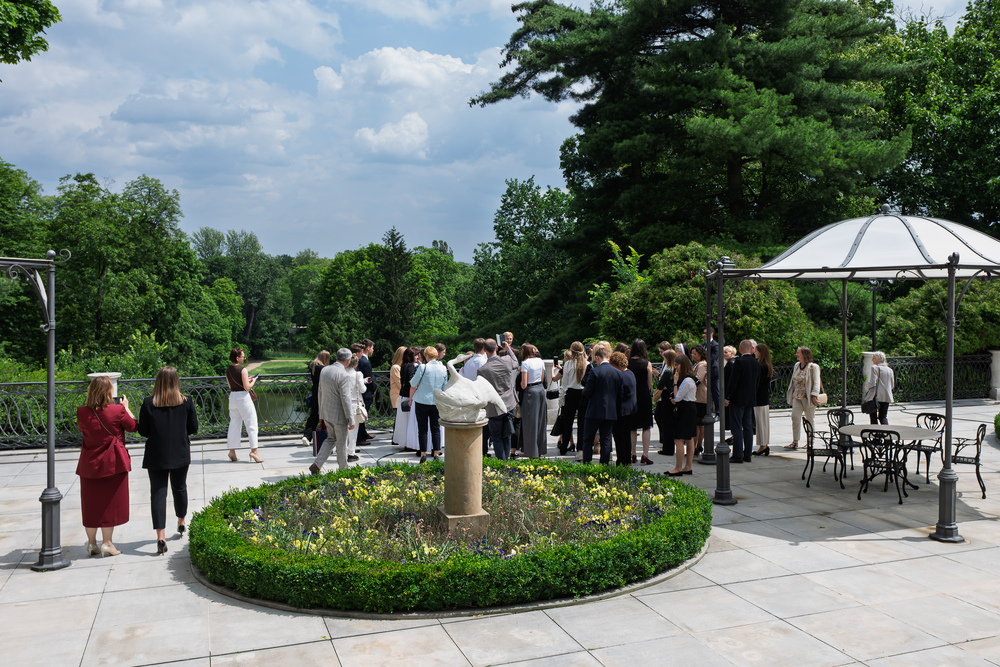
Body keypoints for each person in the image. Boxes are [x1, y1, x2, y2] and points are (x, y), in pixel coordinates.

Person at [138, 366, 199, 556]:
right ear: (176, 382)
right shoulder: (187, 402)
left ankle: (161, 536)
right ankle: (181, 520)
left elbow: (143, 431)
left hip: (156, 454)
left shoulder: (148, 403)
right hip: (180, 452)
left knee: (158, 494)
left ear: (158, 382)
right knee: (179, 488)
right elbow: (194, 428)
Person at [76, 376, 137, 557]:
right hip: (112, 463)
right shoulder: (117, 411)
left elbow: (83, 430)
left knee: (91, 504)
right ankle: (108, 543)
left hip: (89, 464)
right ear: (109, 392)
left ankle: (92, 544)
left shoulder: (81, 412)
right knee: (109, 504)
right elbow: (134, 427)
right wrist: (126, 408)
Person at [309, 348, 356, 474]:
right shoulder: (344, 375)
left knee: (331, 439)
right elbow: (346, 399)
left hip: (326, 413)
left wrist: (320, 411)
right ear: (348, 360)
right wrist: (351, 419)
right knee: (341, 443)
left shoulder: (325, 369)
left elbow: (320, 391)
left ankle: (316, 465)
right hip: (339, 416)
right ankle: (343, 471)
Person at [580, 342, 622, 464]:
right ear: (608, 357)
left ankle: (587, 465)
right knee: (606, 440)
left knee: (588, 439)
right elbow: (620, 394)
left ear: (597, 358)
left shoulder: (595, 371)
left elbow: (587, 392)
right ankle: (604, 466)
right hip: (610, 411)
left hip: (594, 411)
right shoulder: (618, 373)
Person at [477, 338, 519, 460]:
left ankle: (501, 463)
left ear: (484, 350)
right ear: (496, 348)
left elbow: (482, 389)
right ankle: (506, 461)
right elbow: (516, 363)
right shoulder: (506, 361)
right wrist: (508, 350)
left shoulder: (482, 370)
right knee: (507, 434)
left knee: (496, 437)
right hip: (509, 404)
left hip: (493, 407)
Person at [410, 345, 449, 463]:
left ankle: (423, 454)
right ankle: (436, 452)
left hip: (422, 401)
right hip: (436, 401)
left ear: (426, 355)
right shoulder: (443, 368)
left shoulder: (423, 367)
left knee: (422, 429)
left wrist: (411, 398)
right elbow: (444, 386)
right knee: (435, 428)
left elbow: (413, 383)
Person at [725, 340, 760, 463]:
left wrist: (727, 396)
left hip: (738, 399)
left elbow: (733, 382)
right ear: (751, 348)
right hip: (750, 399)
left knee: (736, 427)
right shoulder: (756, 363)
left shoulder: (739, 362)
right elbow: (757, 383)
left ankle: (738, 455)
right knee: (748, 426)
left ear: (740, 348)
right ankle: (748, 455)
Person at [226, 347, 261, 463]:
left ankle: (232, 451)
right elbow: (247, 387)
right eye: (242, 356)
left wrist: (247, 379)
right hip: (243, 399)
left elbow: (231, 386)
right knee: (251, 424)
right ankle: (254, 452)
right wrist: (253, 380)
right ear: (237, 358)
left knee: (234, 424)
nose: (244, 358)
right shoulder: (243, 370)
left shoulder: (228, 370)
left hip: (233, 398)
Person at [784, 346, 821, 449]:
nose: (796, 354)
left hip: (808, 398)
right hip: (797, 397)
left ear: (804, 354)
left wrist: (814, 395)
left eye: (798, 352)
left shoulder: (813, 367)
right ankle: (795, 442)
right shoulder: (797, 365)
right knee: (795, 418)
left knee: (810, 420)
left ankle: (810, 441)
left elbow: (816, 383)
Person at [667, 354, 697, 476]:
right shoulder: (690, 379)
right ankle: (687, 467)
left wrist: (674, 383)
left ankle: (678, 468)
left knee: (678, 439)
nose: (676, 367)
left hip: (686, 409)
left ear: (683, 365)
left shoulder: (686, 380)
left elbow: (677, 397)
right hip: (689, 408)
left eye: (678, 365)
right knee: (689, 439)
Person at [557, 341, 589, 455]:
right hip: (583, 393)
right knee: (582, 422)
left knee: (567, 421)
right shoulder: (587, 363)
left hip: (570, 393)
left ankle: (564, 446)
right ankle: (581, 447)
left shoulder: (568, 364)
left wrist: (562, 399)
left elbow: (564, 384)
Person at [519, 343, 548, 458]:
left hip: (530, 392)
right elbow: (542, 378)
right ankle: (541, 450)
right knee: (541, 421)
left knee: (530, 423)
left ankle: (532, 452)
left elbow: (524, 385)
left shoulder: (525, 363)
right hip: (540, 390)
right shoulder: (540, 361)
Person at [628, 339, 654, 465]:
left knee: (632, 427)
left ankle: (633, 453)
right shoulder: (647, 363)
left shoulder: (627, 363)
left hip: (631, 396)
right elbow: (649, 383)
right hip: (643, 395)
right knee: (646, 426)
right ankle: (645, 454)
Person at [610, 351, 637, 466]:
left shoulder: (620, 376)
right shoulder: (630, 373)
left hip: (620, 411)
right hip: (631, 410)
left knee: (619, 438)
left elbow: (617, 395)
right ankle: (626, 460)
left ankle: (621, 461)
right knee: (626, 437)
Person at [303, 350, 330, 445]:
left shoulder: (313, 365)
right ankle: (325, 434)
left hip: (315, 392)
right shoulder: (323, 368)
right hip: (322, 393)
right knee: (324, 415)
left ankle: (307, 436)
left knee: (313, 414)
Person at [654, 346, 676, 456]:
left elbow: (660, 385)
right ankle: (669, 448)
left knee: (667, 424)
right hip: (672, 398)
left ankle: (667, 449)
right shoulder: (675, 369)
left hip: (666, 399)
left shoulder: (668, 370)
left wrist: (663, 387)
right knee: (670, 424)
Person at [863, 351, 895, 425]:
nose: (872, 360)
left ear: (879, 359)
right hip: (886, 396)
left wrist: (866, 386)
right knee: (883, 417)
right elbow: (892, 385)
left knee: (873, 418)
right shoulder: (890, 370)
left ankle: (875, 434)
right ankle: (886, 433)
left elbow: (873, 382)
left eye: (873, 358)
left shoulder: (874, 368)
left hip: (875, 397)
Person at [753, 343, 774, 456]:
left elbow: (758, 383)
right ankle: (762, 445)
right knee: (762, 422)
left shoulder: (762, 366)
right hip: (762, 396)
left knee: (761, 422)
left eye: (756, 351)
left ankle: (764, 445)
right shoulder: (766, 365)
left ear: (760, 352)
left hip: (760, 396)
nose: (754, 353)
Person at [344, 355, 365, 463]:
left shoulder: (341, 373)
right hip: (354, 404)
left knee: (343, 430)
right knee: (353, 430)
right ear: (355, 364)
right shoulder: (358, 374)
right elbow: (363, 389)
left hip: (342, 404)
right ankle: (351, 453)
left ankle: (342, 451)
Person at [355, 339, 375, 445]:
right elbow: (369, 378)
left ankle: (363, 433)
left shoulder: (362, 360)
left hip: (363, 390)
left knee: (363, 415)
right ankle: (360, 437)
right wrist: (373, 389)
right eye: (372, 348)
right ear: (368, 348)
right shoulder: (364, 361)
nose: (373, 350)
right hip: (365, 391)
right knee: (362, 414)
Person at [690, 344, 709, 456]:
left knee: (699, 424)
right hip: (698, 397)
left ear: (701, 354)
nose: (693, 356)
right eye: (692, 353)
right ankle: (696, 447)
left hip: (700, 397)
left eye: (695, 354)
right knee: (698, 424)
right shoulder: (698, 363)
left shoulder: (702, 364)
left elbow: (698, 379)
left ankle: (697, 447)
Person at [389, 345, 408, 447]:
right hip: (397, 394)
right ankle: (395, 438)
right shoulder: (396, 367)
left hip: (398, 394)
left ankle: (396, 438)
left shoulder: (400, 367)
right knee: (397, 418)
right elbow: (399, 383)